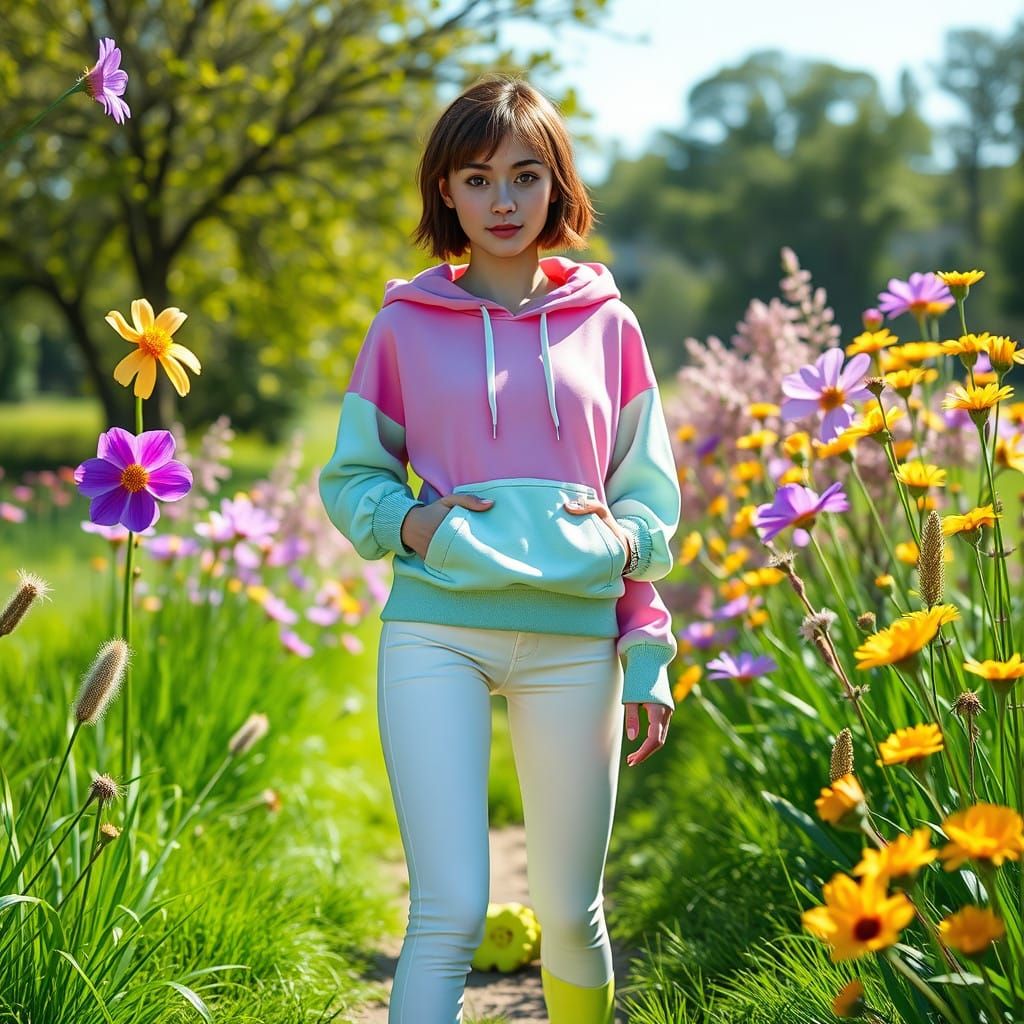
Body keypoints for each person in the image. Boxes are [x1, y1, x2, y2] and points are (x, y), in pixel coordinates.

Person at [319, 74, 681, 1024]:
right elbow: (352, 477)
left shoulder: (610, 325)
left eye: (525, 175)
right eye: (478, 179)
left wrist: (644, 637)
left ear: (557, 184)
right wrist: (416, 524)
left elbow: (646, 501)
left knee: (570, 914)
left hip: (576, 642)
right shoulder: (402, 327)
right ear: (446, 190)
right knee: (447, 911)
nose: (504, 201)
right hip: (436, 631)